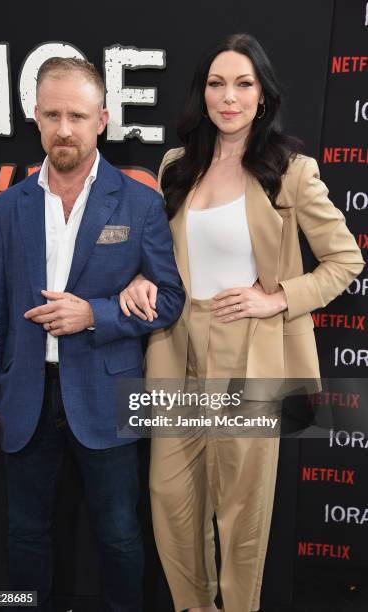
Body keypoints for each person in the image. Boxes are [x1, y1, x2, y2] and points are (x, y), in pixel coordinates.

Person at [119, 34, 365, 612]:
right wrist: (138, 278)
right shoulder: (177, 165)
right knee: (169, 499)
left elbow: (346, 260)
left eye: (243, 83)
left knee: (241, 512)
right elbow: (161, 257)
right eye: (216, 83)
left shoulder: (291, 170)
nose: (228, 97)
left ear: (262, 96)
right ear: (201, 94)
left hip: (250, 353)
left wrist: (277, 298)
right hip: (175, 348)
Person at [0, 57, 184, 612]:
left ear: (102, 120)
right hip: (24, 398)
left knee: (119, 535)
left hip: (107, 394)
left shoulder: (138, 203)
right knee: (25, 536)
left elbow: (172, 299)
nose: (65, 128)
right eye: (54, 114)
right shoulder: (9, 207)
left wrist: (97, 315)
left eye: (79, 116)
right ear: (35, 118)